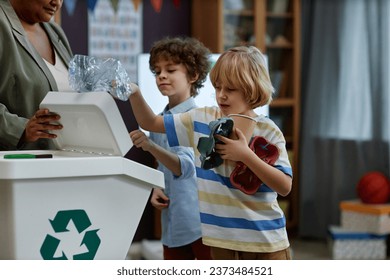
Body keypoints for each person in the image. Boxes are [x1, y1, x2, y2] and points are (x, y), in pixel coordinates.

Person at [127, 45, 293, 260]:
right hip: (220, 242)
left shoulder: (268, 130)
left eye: (230, 89)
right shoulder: (201, 119)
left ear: (252, 89)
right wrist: (134, 91)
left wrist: (246, 155)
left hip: (265, 242)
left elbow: (284, 186)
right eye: (217, 87)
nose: (221, 96)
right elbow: (149, 122)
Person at [129, 37, 212, 260]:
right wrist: (158, 187)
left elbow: (184, 167)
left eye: (170, 69)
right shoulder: (160, 120)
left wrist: (148, 146)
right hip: (173, 225)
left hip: (198, 223)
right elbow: (163, 166)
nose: (161, 76)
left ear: (193, 76)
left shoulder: (196, 120)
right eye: (157, 71)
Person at [0, 0, 72, 151]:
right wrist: (20, 129)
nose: (57, 3)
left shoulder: (55, 31)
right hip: (13, 169)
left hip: (60, 165)